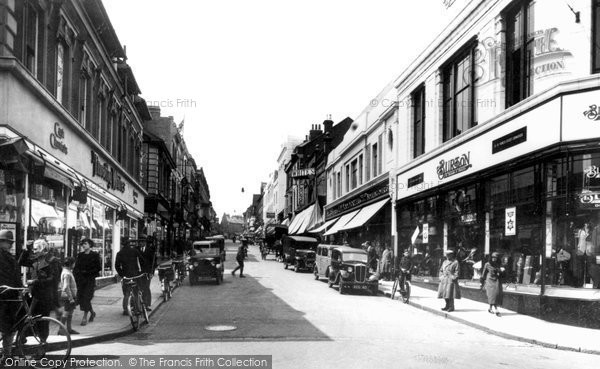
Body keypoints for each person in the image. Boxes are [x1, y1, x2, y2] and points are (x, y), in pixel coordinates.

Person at [22, 239, 61, 341]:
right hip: (33, 294)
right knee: (27, 317)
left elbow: (53, 279)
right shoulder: (36, 259)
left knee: (42, 321)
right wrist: (27, 249)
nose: (34, 252)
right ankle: (22, 338)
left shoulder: (52, 261)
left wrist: (35, 281)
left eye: (36, 249)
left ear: (42, 248)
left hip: (45, 296)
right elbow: (21, 262)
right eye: (33, 249)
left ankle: (42, 344)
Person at [0, 230, 22, 363]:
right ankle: (6, 353)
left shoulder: (8, 256)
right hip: (3, 296)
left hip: (10, 295)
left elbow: (14, 275)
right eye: (8, 242)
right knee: (6, 325)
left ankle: (7, 353)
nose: (10, 245)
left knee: (10, 326)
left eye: (10, 243)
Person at [73, 238, 101, 326]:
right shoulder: (80, 255)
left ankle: (84, 317)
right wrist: (76, 276)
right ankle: (92, 312)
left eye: (85, 244)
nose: (83, 246)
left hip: (90, 279)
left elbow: (98, 268)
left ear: (90, 245)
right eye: (82, 244)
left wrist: (89, 273)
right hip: (81, 280)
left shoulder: (95, 255)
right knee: (83, 298)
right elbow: (76, 267)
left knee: (86, 298)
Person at [115, 238, 144, 315]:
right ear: (129, 243)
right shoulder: (134, 251)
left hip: (126, 276)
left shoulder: (120, 253)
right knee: (136, 291)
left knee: (126, 293)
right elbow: (142, 260)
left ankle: (126, 310)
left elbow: (117, 266)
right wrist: (141, 271)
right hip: (135, 275)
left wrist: (122, 274)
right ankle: (137, 308)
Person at [480, 252, 505, 316]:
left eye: (495, 258)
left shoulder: (499, 264)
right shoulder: (487, 264)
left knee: (496, 294)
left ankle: (490, 308)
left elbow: (502, 274)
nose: (494, 259)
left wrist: (501, 271)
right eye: (493, 257)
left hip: (496, 281)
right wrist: (482, 282)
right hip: (489, 281)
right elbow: (483, 274)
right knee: (492, 295)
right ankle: (496, 310)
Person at [59, 257, 79, 334]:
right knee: (66, 312)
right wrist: (71, 298)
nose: (74, 264)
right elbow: (66, 287)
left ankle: (69, 329)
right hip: (68, 297)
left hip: (70, 296)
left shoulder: (67, 272)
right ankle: (61, 330)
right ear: (70, 264)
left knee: (70, 312)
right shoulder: (67, 273)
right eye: (74, 263)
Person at [138, 236, 156, 310]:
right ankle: (139, 304)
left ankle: (147, 304)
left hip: (147, 272)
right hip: (138, 272)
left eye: (143, 241)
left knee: (146, 288)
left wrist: (152, 272)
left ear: (145, 242)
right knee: (139, 288)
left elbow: (153, 262)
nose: (141, 243)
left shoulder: (150, 250)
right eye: (140, 241)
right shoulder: (136, 249)